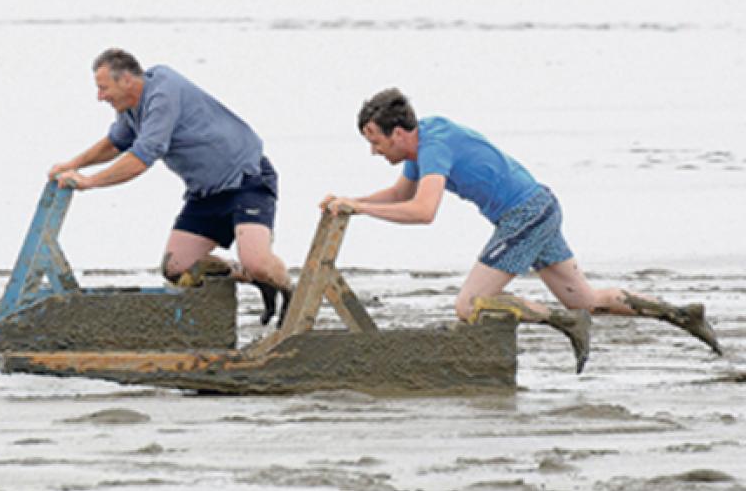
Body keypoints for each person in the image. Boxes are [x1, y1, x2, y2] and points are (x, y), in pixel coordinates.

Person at [321, 88, 721, 373]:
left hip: (526, 214)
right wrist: (350, 204)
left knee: (468, 305)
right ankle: (682, 314)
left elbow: (425, 211)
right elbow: (399, 193)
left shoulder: (433, 146)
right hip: (541, 207)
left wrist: (359, 208)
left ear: (399, 133)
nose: (374, 151)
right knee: (586, 298)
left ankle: (567, 324)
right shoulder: (422, 142)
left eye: (375, 141)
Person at [49, 48, 292, 322]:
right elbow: (115, 144)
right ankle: (255, 278)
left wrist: (91, 182)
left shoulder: (163, 92)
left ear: (127, 80)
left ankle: (288, 290)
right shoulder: (131, 108)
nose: (99, 97)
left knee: (258, 261)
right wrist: (73, 164)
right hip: (205, 193)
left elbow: (141, 158)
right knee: (176, 268)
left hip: (246, 178)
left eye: (103, 88)